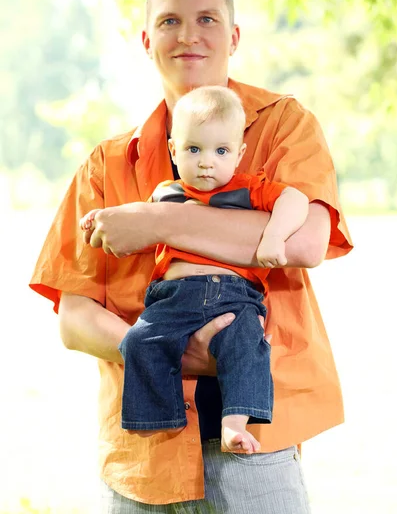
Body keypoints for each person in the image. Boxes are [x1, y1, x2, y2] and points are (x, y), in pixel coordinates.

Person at [30, 0, 353, 513]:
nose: (188, 35)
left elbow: (302, 243)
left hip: (256, 442)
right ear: (146, 40)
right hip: (144, 451)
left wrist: (156, 221)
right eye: (169, 21)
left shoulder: (283, 125)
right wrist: (163, 350)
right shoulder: (105, 165)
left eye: (206, 18)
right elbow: (75, 317)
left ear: (232, 36)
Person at [80, 85, 309, 454]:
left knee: (248, 348)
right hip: (173, 298)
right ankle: (154, 419)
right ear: (174, 150)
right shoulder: (164, 194)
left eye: (221, 151)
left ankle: (235, 424)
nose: (207, 162)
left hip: (235, 297)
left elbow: (296, 200)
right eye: (193, 149)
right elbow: (131, 221)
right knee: (139, 341)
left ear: (240, 154)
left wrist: (274, 236)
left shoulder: (248, 189)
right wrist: (98, 219)